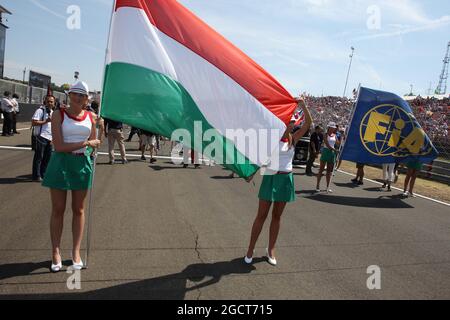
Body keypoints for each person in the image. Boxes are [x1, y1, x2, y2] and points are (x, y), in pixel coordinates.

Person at [245, 97, 312, 266]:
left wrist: (303, 106)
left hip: (285, 178)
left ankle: (271, 249)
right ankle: (250, 249)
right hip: (270, 177)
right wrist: (251, 172)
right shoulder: (270, 139)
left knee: (277, 216)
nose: (290, 125)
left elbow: (308, 125)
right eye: (288, 122)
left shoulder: (293, 138)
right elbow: (259, 158)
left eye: (291, 123)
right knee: (261, 215)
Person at [42, 81, 101, 273]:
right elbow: (58, 146)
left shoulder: (91, 116)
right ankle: (55, 252)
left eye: (81, 94)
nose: (77, 97)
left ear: (86, 99)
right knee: (58, 209)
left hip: (81, 164)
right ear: (69, 96)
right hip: (61, 163)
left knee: (79, 209)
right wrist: (86, 142)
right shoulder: (58, 114)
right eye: (74, 93)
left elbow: (94, 143)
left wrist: (99, 130)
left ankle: (75, 251)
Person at [31, 96, 55, 182]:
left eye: (52, 102)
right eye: (48, 101)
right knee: (39, 157)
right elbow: (34, 122)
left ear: (54, 103)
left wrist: (53, 138)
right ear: (45, 101)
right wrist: (46, 121)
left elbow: (52, 126)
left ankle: (43, 174)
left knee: (47, 157)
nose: (50, 103)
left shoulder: (52, 112)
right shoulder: (40, 110)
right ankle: (36, 175)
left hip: (49, 138)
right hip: (40, 137)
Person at [316, 122, 338, 193]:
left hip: (332, 154)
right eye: (332, 127)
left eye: (334, 128)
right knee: (321, 170)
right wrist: (334, 150)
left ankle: (327, 187)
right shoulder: (325, 134)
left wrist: (344, 137)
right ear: (329, 128)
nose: (333, 129)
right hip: (326, 152)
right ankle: (317, 185)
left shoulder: (335, 135)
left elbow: (338, 143)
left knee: (329, 171)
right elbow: (327, 144)